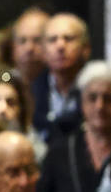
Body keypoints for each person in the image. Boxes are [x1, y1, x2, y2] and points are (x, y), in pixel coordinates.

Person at [39, 61, 111, 192]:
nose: (100, 106)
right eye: (92, 98)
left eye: (108, 98)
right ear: (82, 102)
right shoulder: (59, 152)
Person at [32, 14, 92, 143]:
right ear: (43, 51)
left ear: (86, 49)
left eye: (69, 39)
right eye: (53, 40)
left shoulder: (96, 92)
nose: (60, 46)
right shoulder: (30, 93)